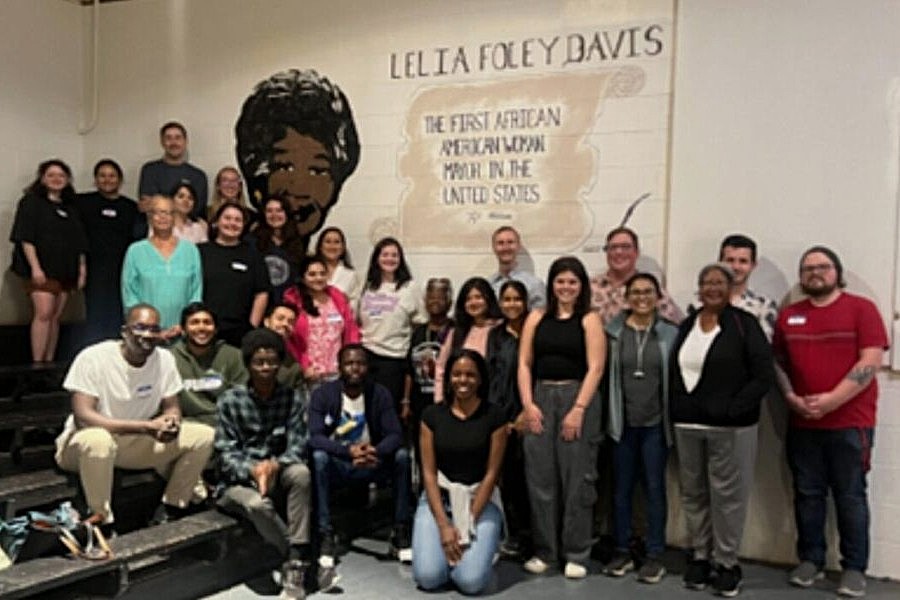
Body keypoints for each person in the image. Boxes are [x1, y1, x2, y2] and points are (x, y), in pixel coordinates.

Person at [773, 246, 887, 599]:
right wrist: (791, 398)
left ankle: (854, 568)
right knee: (808, 495)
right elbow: (778, 362)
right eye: (807, 269)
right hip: (804, 424)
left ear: (838, 272)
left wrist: (831, 401)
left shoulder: (861, 309)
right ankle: (810, 560)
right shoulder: (789, 315)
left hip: (850, 424)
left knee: (850, 496)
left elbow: (871, 360)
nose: (814, 273)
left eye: (822, 267)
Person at [54, 303, 215, 526]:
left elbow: (172, 406)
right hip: (82, 446)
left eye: (154, 329)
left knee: (203, 435)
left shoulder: (165, 359)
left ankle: (173, 507)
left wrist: (171, 423)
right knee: (98, 440)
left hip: (133, 444)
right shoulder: (93, 357)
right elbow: (84, 417)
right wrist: (146, 427)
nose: (148, 335)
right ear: (124, 331)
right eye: (140, 328)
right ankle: (102, 520)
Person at [671, 263, 773, 597]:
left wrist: (733, 408)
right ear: (699, 289)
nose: (712, 288)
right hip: (688, 426)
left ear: (730, 288)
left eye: (719, 283)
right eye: (706, 282)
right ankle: (701, 557)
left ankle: (727, 562)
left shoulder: (745, 325)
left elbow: (763, 376)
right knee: (694, 494)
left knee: (727, 498)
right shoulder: (687, 324)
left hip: (731, 429)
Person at [215, 328, 333, 599]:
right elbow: (225, 453)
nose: (266, 367)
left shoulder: (292, 397)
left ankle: (294, 565)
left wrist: (273, 466)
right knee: (257, 504)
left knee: (301, 473)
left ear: (280, 363)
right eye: (259, 362)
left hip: (275, 471)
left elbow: (298, 445)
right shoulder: (230, 400)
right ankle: (300, 559)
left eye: (272, 361)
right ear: (248, 365)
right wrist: (253, 470)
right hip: (236, 482)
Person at [518, 256, 606, 579]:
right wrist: (528, 405)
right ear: (551, 284)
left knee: (577, 480)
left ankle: (576, 553)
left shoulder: (590, 320)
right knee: (540, 478)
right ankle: (546, 552)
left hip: (577, 399)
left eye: (572, 282)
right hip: (540, 398)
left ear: (581, 286)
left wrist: (578, 409)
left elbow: (596, 367)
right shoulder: (536, 318)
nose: (566, 287)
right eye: (560, 281)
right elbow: (524, 363)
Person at [601, 273, 678, 583]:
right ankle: (622, 549)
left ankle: (655, 553)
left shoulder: (670, 334)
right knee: (620, 491)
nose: (641, 297)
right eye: (635, 292)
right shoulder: (612, 333)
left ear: (658, 296)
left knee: (655, 490)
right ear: (625, 297)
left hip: (656, 426)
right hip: (622, 425)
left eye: (648, 292)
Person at [412, 349, 508, 595]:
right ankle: (445, 552)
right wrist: (445, 526)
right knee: (429, 578)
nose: (462, 381)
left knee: (470, 582)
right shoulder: (432, 415)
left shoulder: (495, 416)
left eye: (470, 375)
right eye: (456, 374)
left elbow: (492, 474)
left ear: (480, 380)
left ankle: (481, 552)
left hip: (479, 501)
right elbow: (429, 474)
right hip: (440, 499)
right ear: (448, 378)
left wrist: (466, 523)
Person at [308, 344, 412, 567]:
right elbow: (315, 436)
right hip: (340, 463)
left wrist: (376, 450)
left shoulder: (379, 393)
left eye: (360, 363)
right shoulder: (322, 394)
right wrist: (348, 452)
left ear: (367, 367)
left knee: (402, 457)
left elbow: (395, 434)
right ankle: (325, 534)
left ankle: (401, 530)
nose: (355, 368)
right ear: (339, 367)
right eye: (349, 363)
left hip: (372, 461)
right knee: (318, 458)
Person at [235, 69, 360, 251]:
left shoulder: (318, 268)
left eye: (317, 170)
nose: (300, 188)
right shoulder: (247, 251)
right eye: (284, 167)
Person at [9, 159, 88, 362]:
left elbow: (79, 241)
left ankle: (49, 362)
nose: (56, 179)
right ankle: (37, 364)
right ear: (42, 178)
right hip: (41, 269)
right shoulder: (31, 202)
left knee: (55, 317)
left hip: (65, 269)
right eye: (51, 175)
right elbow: (25, 237)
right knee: (43, 314)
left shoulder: (71, 207)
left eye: (61, 175)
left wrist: (81, 269)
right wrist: (36, 268)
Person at [485, 279, 530, 558]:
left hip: (526, 414)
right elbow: (492, 375)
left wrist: (525, 412)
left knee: (529, 480)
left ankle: (532, 538)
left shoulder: (533, 331)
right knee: (508, 480)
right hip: (501, 414)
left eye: (516, 299)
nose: (511, 304)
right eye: (507, 299)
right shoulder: (496, 335)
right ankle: (513, 535)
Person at [357, 237, 425, 413]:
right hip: (367, 356)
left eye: (395, 255)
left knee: (387, 411)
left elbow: (421, 321)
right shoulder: (367, 286)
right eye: (385, 254)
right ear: (376, 258)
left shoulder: (410, 287)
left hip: (393, 359)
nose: (390, 259)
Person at [121, 196, 203, 341]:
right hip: (145, 335)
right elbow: (129, 295)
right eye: (157, 212)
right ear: (149, 217)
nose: (163, 217)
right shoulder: (136, 251)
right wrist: (148, 329)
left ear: (175, 216)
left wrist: (185, 324)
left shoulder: (190, 250)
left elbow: (196, 291)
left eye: (168, 212)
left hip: (182, 334)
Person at [75, 159, 138, 345]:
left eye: (112, 176)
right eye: (102, 176)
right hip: (94, 269)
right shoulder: (83, 203)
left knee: (119, 314)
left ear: (119, 179)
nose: (107, 180)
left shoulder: (130, 207)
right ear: (95, 179)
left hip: (122, 268)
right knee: (95, 314)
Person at [199, 204, 270, 347]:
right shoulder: (200, 251)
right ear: (217, 222)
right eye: (227, 218)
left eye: (238, 220)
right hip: (204, 327)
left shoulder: (253, 255)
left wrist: (252, 327)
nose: (232, 223)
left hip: (240, 331)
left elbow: (262, 293)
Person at [283, 255, 360, 387]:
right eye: (312, 274)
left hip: (337, 372)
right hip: (310, 373)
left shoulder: (337, 297)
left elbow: (350, 330)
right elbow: (290, 339)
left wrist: (351, 361)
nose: (318, 278)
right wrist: (303, 366)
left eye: (322, 274)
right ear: (303, 277)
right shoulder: (294, 300)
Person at [171, 303, 248, 427]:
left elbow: (242, 399)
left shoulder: (233, 355)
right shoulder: (171, 358)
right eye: (194, 322)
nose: (201, 327)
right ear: (183, 330)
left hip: (225, 425)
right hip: (186, 425)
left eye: (207, 322)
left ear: (216, 329)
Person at [691, 234, 778, 339]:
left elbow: (763, 348)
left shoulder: (764, 307)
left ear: (753, 265)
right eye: (730, 260)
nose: (736, 267)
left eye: (743, 261)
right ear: (720, 262)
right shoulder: (699, 301)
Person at [589, 227, 683, 325]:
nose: (619, 252)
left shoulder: (651, 289)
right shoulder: (589, 287)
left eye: (625, 247)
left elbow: (675, 328)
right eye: (613, 247)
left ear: (637, 252)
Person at [405, 278, 454, 458]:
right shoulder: (418, 332)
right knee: (422, 450)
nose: (435, 302)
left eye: (440, 297)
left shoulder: (455, 329)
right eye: (431, 297)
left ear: (449, 302)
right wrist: (406, 401)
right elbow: (409, 370)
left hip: (448, 400)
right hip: (420, 401)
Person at [433, 277, 501, 403]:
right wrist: (439, 399)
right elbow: (441, 367)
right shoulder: (456, 333)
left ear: (488, 299)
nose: (473, 302)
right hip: (459, 402)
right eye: (468, 299)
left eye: (478, 297)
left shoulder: (501, 329)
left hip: (493, 401)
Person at [137, 121, 208, 235]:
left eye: (178, 138)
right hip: (155, 231)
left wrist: (161, 202)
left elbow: (197, 210)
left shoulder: (198, 175)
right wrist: (181, 206)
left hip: (188, 233)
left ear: (185, 142)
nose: (173, 142)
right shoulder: (150, 170)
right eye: (168, 138)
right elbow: (146, 206)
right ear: (162, 142)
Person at [253, 197, 305, 305]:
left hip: (289, 305)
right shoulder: (252, 241)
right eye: (269, 211)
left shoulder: (297, 242)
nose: (274, 215)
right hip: (259, 304)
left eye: (279, 210)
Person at [487, 226, 545, 309]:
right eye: (500, 243)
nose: (506, 247)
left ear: (518, 246)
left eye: (510, 242)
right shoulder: (488, 285)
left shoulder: (534, 284)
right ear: (494, 247)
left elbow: (540, 317)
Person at [263, 302, 304, 389]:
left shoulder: (294, 367)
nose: (285, 324)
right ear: (267, 322)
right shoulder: (247, 352)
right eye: (280, 318)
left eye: (291, 322)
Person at [316, 226, 360, 304]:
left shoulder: (350, 275)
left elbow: (355, 304)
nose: (332, 246)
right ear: (320, 247)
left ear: (343, 247)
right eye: (328, 242)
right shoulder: (310, 272)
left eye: (337, 242)